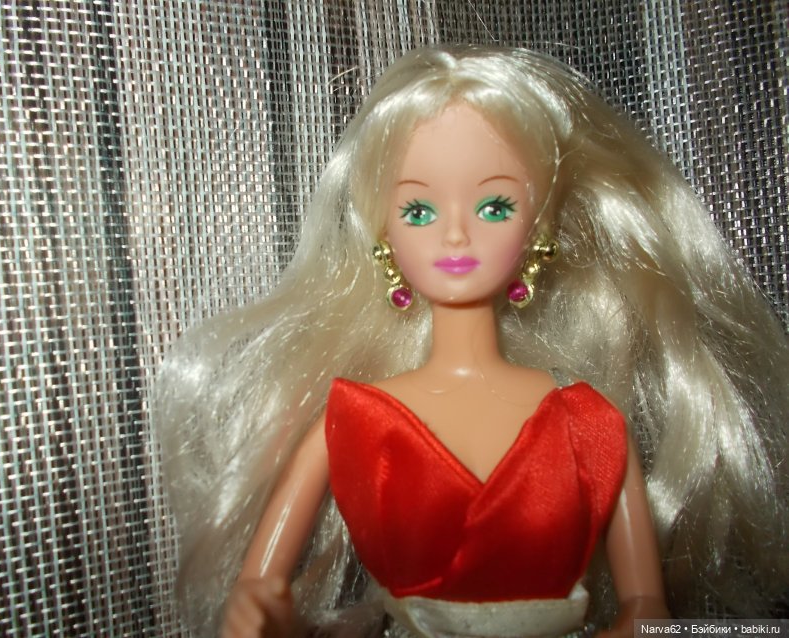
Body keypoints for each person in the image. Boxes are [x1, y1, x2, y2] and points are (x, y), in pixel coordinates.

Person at [155, 46, 789, 638]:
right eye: (419, 211)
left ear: (539, 228)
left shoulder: (589, 424)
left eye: (493, 208)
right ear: (383, 234)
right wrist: (259, 604)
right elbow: (261, 583)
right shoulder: (354, 420)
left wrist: (649, 619)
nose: (456, 235)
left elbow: (646, 605)